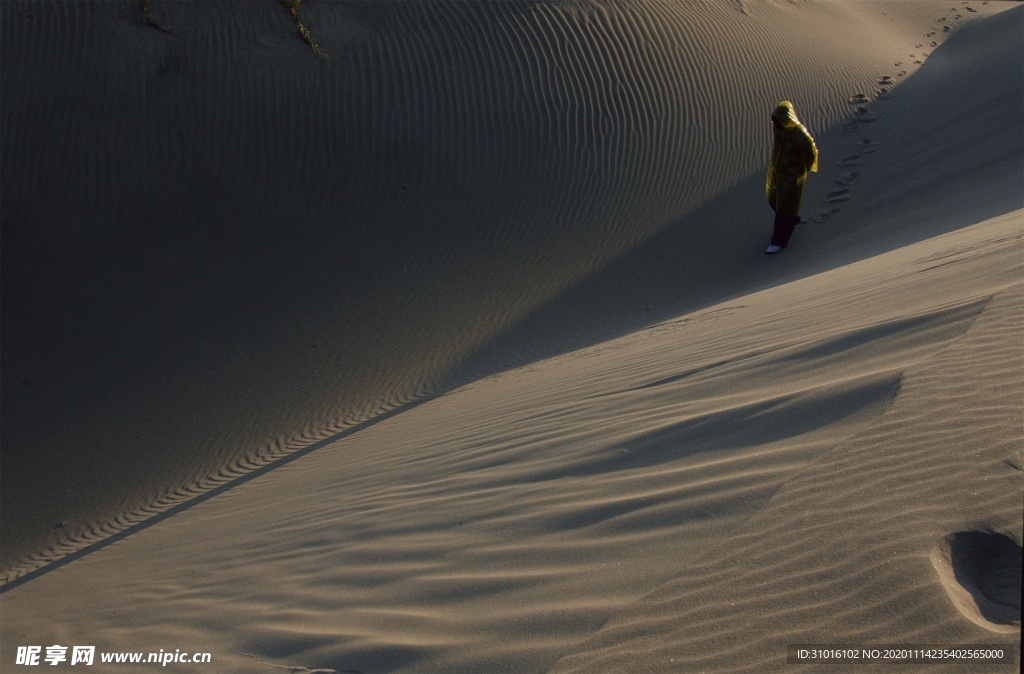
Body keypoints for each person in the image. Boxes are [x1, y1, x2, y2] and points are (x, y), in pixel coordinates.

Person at [765, 100, 818, 253]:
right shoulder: (779, 130)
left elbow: (810, 153)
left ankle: (779, 241)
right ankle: (792, 219)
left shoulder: (800, 135)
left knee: (784, 209)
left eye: (777, 120)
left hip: (793, 178)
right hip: (778, 174)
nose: (774, 123)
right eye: (773, 120)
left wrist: (803, 169)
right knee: (774, 200)